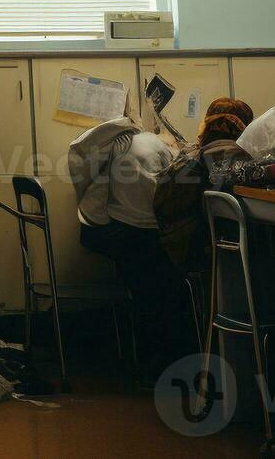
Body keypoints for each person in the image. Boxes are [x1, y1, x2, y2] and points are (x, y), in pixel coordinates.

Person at [70, 115, 193, 375]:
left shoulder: (121, 144)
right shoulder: (159, 148)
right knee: (171, 284)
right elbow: (167, 195)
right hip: (143, 235)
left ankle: (146, 358)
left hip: (113, 231)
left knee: (144, 288)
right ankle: (168, 356)